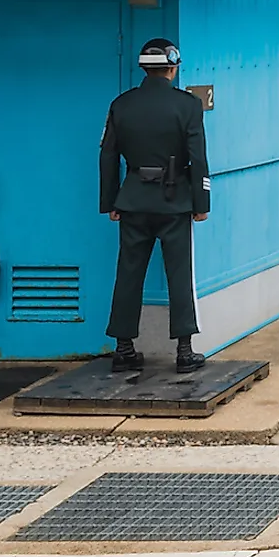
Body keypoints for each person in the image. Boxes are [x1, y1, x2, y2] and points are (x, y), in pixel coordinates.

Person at [100, 38, 212, 373]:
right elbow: (198, 157)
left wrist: (111, 202)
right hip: (175, 199)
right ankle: (184, 349)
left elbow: (107, 156)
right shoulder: (187, 105)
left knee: (128, 272)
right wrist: (200, 202)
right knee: (179, 274)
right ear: (173, 66)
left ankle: (123, 348)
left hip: (133, 198)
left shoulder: (121, 104)